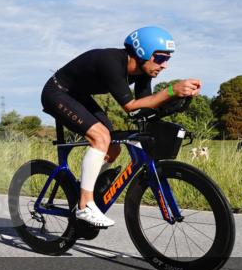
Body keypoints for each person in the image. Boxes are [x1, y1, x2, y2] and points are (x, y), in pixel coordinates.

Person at [41, 26, 201, 227]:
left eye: (168, 59)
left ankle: (85, 190)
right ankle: (84, 205)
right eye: (161, 58)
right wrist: (171, 90)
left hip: (79, 96)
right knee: (101, 137)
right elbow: (130, 107)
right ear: (142, 52)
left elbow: (144, 107)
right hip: (57, 93)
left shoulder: (144, 73)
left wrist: (177, 100)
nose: (165, 65)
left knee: (113, 146)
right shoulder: (111, 62)